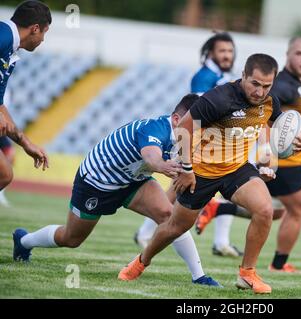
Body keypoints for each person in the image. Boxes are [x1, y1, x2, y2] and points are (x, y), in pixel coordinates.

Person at [118, 54, 301, 294]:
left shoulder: (270, 100)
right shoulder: (219, 98)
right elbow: (183, 129)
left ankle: (247, 273)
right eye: (255, 83)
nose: (260, 91)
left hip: (236, 168)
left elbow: (274, 127)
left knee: (264, 210)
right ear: (243, 76)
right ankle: (140, 262)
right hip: (201, 170)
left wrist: (284, 149)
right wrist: (187, 170)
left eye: (266, 86)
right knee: (175, 227)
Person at [12, 94, 221, 287]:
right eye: (195, 124)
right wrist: (164, 167)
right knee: (72, 239)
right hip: (97, 182)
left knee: (170, 216)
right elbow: (151, 157)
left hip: (132, 180)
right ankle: (23, 241)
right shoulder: (155, 128)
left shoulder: (185, 137)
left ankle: (199, 276)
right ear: (176, 119)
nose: (198, 130)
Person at [195, 37, 301, 271]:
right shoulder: (282, 86)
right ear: (288, 55)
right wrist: (268, 153)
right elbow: (264, 116)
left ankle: (218, 209)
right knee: (297, 210)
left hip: (286, 159)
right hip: (287, 161)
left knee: (273, 212)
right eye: (299, 54)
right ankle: (278, 264)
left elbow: (284, 118)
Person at [134, 32, 243, 257]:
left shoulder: (223, 75)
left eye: (230, 51)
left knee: (211, 183)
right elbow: (203, 111)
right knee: (182, 185)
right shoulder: (203, 77)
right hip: (202, 139)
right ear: (211, 53)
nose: (227, 55)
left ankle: (221, 242)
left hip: (217, 139)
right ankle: (145, 232)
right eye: (222, 51)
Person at [0, 1, 50, 191]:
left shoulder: (10, 53)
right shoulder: (3, 35)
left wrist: (25, 143)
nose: (43, 39)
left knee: (4, 174)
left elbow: (0, 106)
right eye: (44, 33)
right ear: (35, 29)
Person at [0, 90, 15, 207]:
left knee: (10, 153)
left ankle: (2, 193)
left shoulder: (6, 88)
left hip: (2, 126)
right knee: (6, 175)